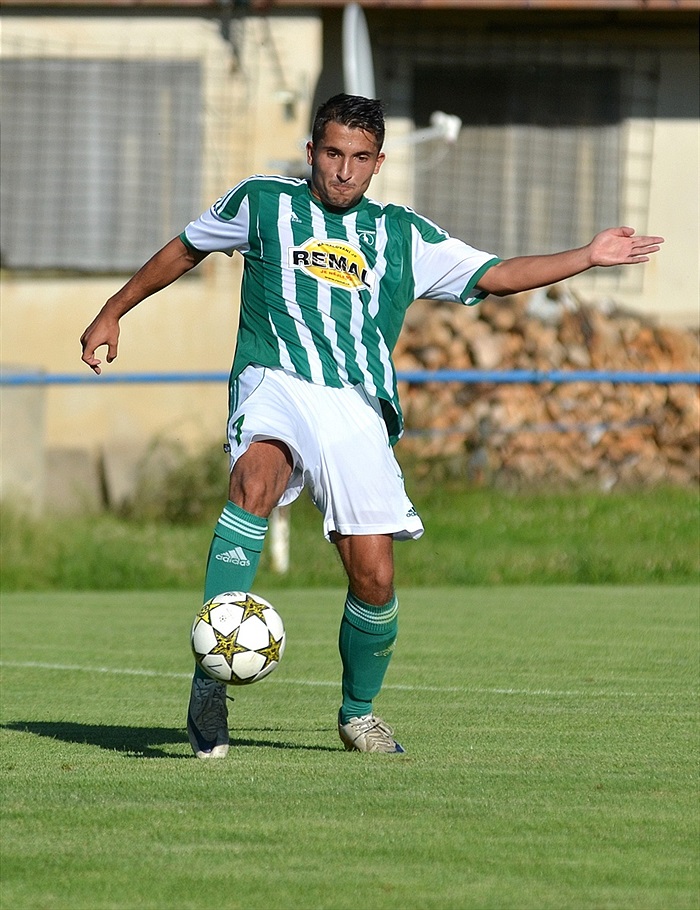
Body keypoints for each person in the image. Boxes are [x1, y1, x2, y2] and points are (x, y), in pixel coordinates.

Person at [80, 93, 664, 758]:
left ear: (379, 162)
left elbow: (496, 275)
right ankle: (211, 679)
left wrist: (587, 255)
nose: (343, 170)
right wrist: (113, 308)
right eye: (332, 153)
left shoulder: (403, 235)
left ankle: (358, 713)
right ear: (311, 153)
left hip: (357, 405)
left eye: (359, 158)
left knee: (375, 577)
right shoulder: (262, 202)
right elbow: (185, 249)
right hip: (275, 380)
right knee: (254, 481)